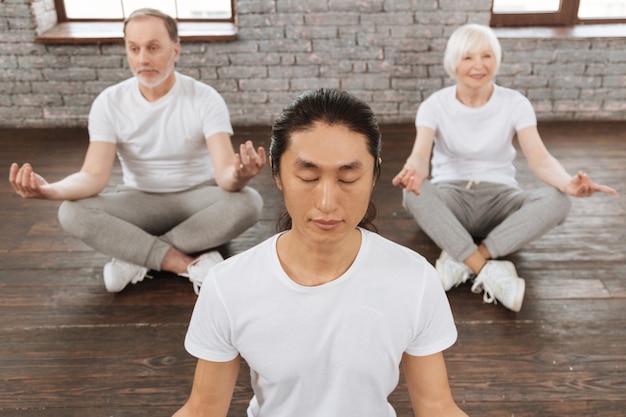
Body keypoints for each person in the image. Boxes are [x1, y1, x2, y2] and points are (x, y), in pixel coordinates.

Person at [173, 88, 469, 417]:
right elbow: (203, 409)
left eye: (348, 177)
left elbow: (437, 407)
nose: (327, 202)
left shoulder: (415, 280)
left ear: (374, 174)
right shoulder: (229, 286)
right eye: (308, 177)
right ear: (277, 172)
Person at [8, 8, 265, 294]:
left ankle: (137, 254)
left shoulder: (205, 99)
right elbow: (93, 176)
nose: (143, 58)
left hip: (199, 197)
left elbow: (224, 177)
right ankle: (181, 263)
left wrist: (241, 176)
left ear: (175, 50)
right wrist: (50, 190)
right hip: (139, 200)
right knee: (70, 212)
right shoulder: (109, 102)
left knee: (249, 203)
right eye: (134, 48)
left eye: (154, 48)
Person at [392, 23, 618, 312]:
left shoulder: (515, 103)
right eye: (468, 57)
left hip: (500, 200)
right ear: (454, 63)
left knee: (558, 202)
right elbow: (420, 156)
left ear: (496, 60)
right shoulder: (434, 105)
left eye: (486, 56)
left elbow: (540, 159)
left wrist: (566, 182)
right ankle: (488, 270)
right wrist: (414, 172)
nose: (478, 65)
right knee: (413, 194)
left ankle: (468, 260)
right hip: (452, 199)